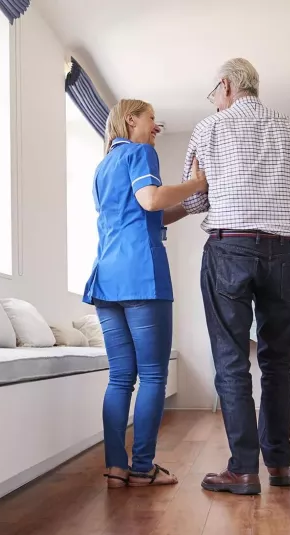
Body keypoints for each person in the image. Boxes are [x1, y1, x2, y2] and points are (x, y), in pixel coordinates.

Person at [180, 58, 290, 495]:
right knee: (277, 363)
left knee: (231, 360)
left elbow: (193, 200)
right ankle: (280, 467)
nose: (214, 102)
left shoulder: (209, 129)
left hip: (229, 247)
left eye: (214, 94)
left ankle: (244, 470)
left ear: (226, 87)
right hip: (284, 252)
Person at [83, 99, 207, 488]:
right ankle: (142, 468)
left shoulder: (103, 167)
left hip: (106, 278)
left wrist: (188, 206)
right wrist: (197, 184)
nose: (156, 127)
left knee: (120, 377)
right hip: (141, 275)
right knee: (153, 374)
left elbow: (148, 212)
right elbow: (151, 200)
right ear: (131, 119)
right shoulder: (141, 153)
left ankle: (116, 466)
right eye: (152, 119)